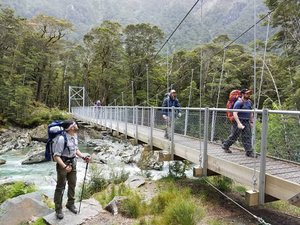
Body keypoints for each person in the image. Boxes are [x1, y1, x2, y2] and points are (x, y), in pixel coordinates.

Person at [53, 120, 91, 219]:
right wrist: (64, 167)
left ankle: (70, 204)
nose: (76, 126)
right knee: (60, 187)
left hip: (73, 162)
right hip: (63, 164)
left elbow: (75, 149)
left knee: (72, 184)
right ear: (70, 128)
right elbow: (56, 156)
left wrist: (83, 156)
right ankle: (58, 209)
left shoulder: (74, 136)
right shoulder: (61, 139)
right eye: (74, 125)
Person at [222, 88, 255, 157]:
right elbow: (235, 113)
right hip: (238, 121)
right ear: (242, 94)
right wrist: (238, 123)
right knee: (234, 135)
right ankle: (225, 145)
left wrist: (251, 121)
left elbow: (251, 112)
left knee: (247, 136)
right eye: (247, 93)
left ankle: (249, 152)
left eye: (249, 94)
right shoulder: (239, 102)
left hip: (246, 121)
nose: (249, 95)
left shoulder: (249, 102)